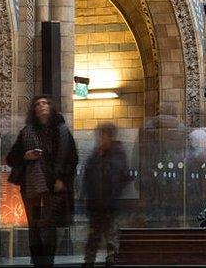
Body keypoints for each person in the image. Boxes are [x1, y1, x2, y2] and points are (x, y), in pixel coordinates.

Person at [7, 96, 78, 268]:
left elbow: (72, 157)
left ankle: (48, 263)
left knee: (48, 225)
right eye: (38, 104)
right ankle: (38, 263)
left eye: (45, 103)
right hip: (31, 186)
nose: (41, 106)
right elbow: (11, 158)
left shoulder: (61, 131)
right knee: (34, 227)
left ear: (51, 107)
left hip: (52, 186)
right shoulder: (27, 131)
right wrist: (26, 155)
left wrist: (62, 178)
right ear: (34, 110)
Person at [82, 122, 130, 268]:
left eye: (102, 135)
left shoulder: (117, 154)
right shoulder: (96, 154)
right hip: (96, 205)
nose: (100, 139)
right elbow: (88, 178)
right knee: (93, 240)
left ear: (109, 136)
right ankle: (89, 263)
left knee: (111, 240)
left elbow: (118, 177)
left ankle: (111, 261)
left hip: (110, 206)